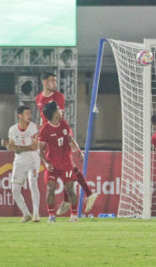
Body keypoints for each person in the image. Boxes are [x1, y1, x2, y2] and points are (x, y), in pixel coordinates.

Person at [35, 72, 98, 214]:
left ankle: (81, 196)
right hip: (48, 134)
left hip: (61, 131)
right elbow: (42, 118)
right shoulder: (38, 98)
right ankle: (78, 197)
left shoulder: (58, 97)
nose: (55, 84)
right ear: (44, 81)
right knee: (68, 168)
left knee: (68, 166)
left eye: (56, 81)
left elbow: (59, 116)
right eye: (52, 81)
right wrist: (40, 131)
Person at [38, 101, 83, 223]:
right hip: (52, 164)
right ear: (53, 113)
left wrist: (78, 151)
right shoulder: (45, 130)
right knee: (50, 188)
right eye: (58, 109)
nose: (61, 111)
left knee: (70, 190)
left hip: (66, 163)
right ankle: (51, 215)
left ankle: (74, 216)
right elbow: (40, 150)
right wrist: (46, 163)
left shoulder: (64, 124)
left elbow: (70, 139)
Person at [2, 106, 41, 223]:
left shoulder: (33, 127)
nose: (30, 116)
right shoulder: (13, 130)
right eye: (27, 114)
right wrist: (8, 146)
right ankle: (26, 213)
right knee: (15, 190)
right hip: (19, 161)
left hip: (33, 159)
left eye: (30, 114)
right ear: (20, 116)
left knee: (33, 184)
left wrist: (17, 147)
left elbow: (34, 147)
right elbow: (14, 148)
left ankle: (36, 213)